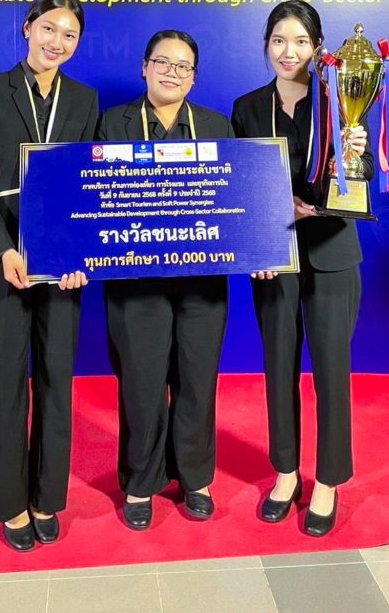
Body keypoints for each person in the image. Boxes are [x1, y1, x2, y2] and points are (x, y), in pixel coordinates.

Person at [0, 0, 98, 552]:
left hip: (61, 262)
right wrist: (3, 250)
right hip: (3, 260)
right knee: (3, 382)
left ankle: (45, 497)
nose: (56, 42)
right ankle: (9, 503)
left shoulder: (84, 99)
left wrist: (78, 257)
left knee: (57, 380)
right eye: (48, 29)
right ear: (27, 28)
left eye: (69, 35)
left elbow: (88, 182)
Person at [231, 0, 373, 536]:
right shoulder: (247, 107)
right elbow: (238, 183)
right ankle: (286, 473)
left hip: (333, 250)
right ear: (266, 45)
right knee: (278, 365)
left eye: (300, 41)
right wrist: (267, 222)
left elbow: (360, 177)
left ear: (317, 47)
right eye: (278, 40)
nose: (288, 52)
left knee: (332, 369)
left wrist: (356, 151)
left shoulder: (341, 99)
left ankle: (328, 481)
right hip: (275, 254)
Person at [96, 30, 233, 530]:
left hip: (202, 277)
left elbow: (239, 196)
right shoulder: (112, 123)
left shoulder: (217, 125)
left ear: (194, 77)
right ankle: (140, 481)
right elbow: (91, 197)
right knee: (143, 383)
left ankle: (195, 477)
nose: (172, 73)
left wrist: (263, 245)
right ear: (144, 67)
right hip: (135, 279)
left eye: (183, 66)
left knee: (197, 380)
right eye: (163, 62)